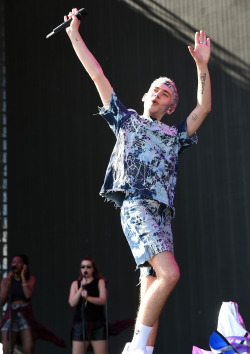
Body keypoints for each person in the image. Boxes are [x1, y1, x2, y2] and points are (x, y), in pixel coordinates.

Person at [64, 8, 211, 354]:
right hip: (136, 206)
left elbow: (202, 109)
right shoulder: (126, 120)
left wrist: (202, 65)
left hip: (162, 214)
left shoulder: (174, 135)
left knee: (151, 284)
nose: (159, 94)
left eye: (167, 94)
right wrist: (74, 34)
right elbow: (97, 75)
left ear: (171, 107)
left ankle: (143, 351)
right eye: (156, 89)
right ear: (145, 96)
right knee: (169, 274)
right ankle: (136, 348)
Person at [0, 254, 65, 354]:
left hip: (25, 313)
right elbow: (2, 301)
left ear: (24, 266)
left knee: (29, 350)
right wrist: (8, 282)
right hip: (11, 313)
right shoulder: (6, 281)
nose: (15, 264)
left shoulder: (30, 279)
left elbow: (28, 295)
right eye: (14, 262)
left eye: (19, 262)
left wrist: (22, 277)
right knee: (7, 350)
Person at [69, 255, 107, 354]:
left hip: (97, 322)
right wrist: (81, 288)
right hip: (80, 323)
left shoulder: (100, 282)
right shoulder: (75, 284)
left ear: (93, 269)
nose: (85, 269)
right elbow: (72, 303)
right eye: (83, 267)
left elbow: (103, 300)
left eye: (88, 267)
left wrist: (88, 298)